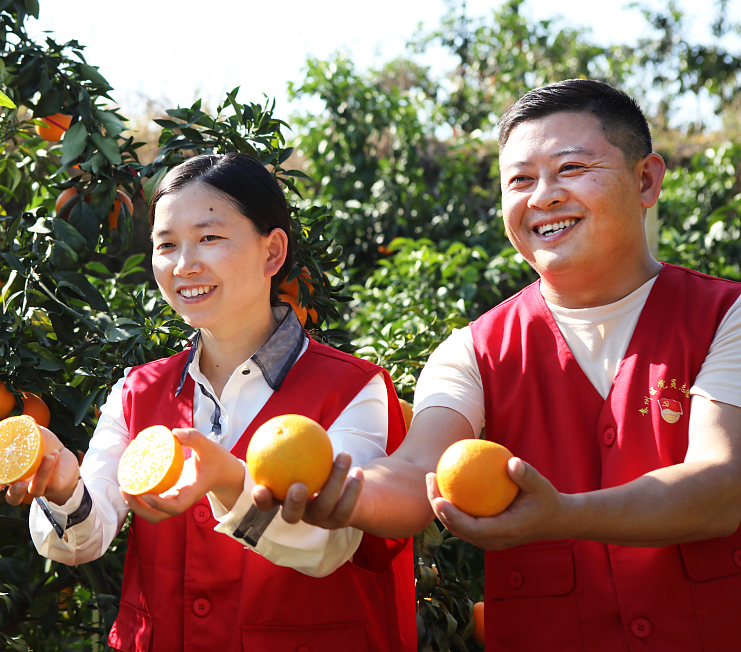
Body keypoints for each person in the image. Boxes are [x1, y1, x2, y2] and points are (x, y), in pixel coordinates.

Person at [265, 79, 741, 651]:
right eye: (519, 180)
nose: (542, 196)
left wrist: (563, 516)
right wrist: (347, 492)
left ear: (646, 180)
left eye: (570, 168)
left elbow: (721, 485)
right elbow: (419, 468)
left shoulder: (726, 316)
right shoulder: (472, 350)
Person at [0, 153, 416, 652]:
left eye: (209, 238)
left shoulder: (354, 390)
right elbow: (84, 538)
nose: (184, 263)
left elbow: (327, 544)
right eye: (166, 244)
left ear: (272, 252)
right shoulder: (136, 393)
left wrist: (231, 481)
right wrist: (61, 485)